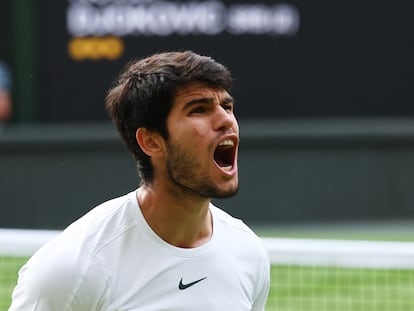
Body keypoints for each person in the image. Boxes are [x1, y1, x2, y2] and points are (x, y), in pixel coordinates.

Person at [9, 51, 270, 310]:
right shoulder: (72, 269)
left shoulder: (248, 253)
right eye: (199, 109)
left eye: (227, 106)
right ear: (151, 142)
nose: (226, 120)